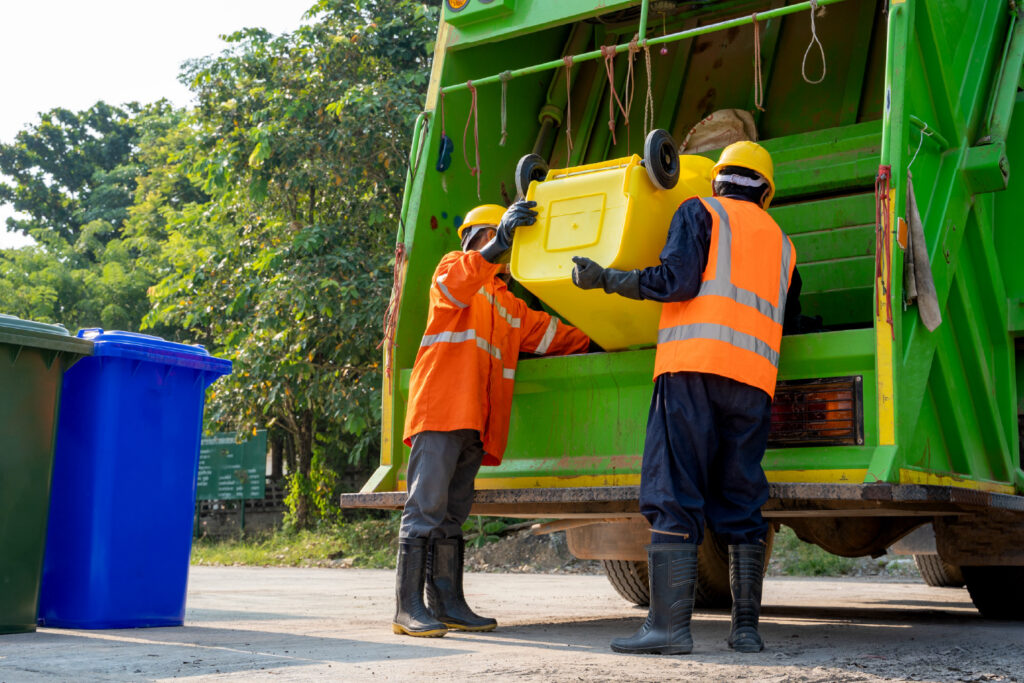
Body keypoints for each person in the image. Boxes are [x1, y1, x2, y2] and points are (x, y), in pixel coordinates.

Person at [571, 141, 800, 655]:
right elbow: (792, 316)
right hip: (753, 384)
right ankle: (745, 631)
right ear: (766, 192)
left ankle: (669, 629)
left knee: (674, 492)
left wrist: (606, 278)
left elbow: (675, 281)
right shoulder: (784, 244)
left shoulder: (701, 211)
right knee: (742, 500)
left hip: (692, 371)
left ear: (718, 179)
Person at [395, 200, 591, 638]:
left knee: (451, 514)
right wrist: (498, 243)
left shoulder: (508, 304)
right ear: (477, 237)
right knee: (425, 509)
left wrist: (602, 336)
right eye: (495, 236)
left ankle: (447, 603)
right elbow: (456, 284)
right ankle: (407, 608)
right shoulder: (453, 269)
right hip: (442, 411)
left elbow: (552, 334)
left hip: (474, 422)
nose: (500, 246)